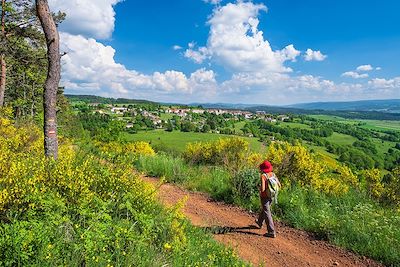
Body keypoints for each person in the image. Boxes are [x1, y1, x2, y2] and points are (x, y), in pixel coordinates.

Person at [255, 160, 281, 238]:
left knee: (267, 212)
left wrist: (259, 190)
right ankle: (259, 222)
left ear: (263, 169)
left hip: (264, 197)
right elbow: (279, 185)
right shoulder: (273, 174)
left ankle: (271, 231)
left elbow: (262, 189)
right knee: (265, 209)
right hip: (272, 196)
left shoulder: (263, 176)